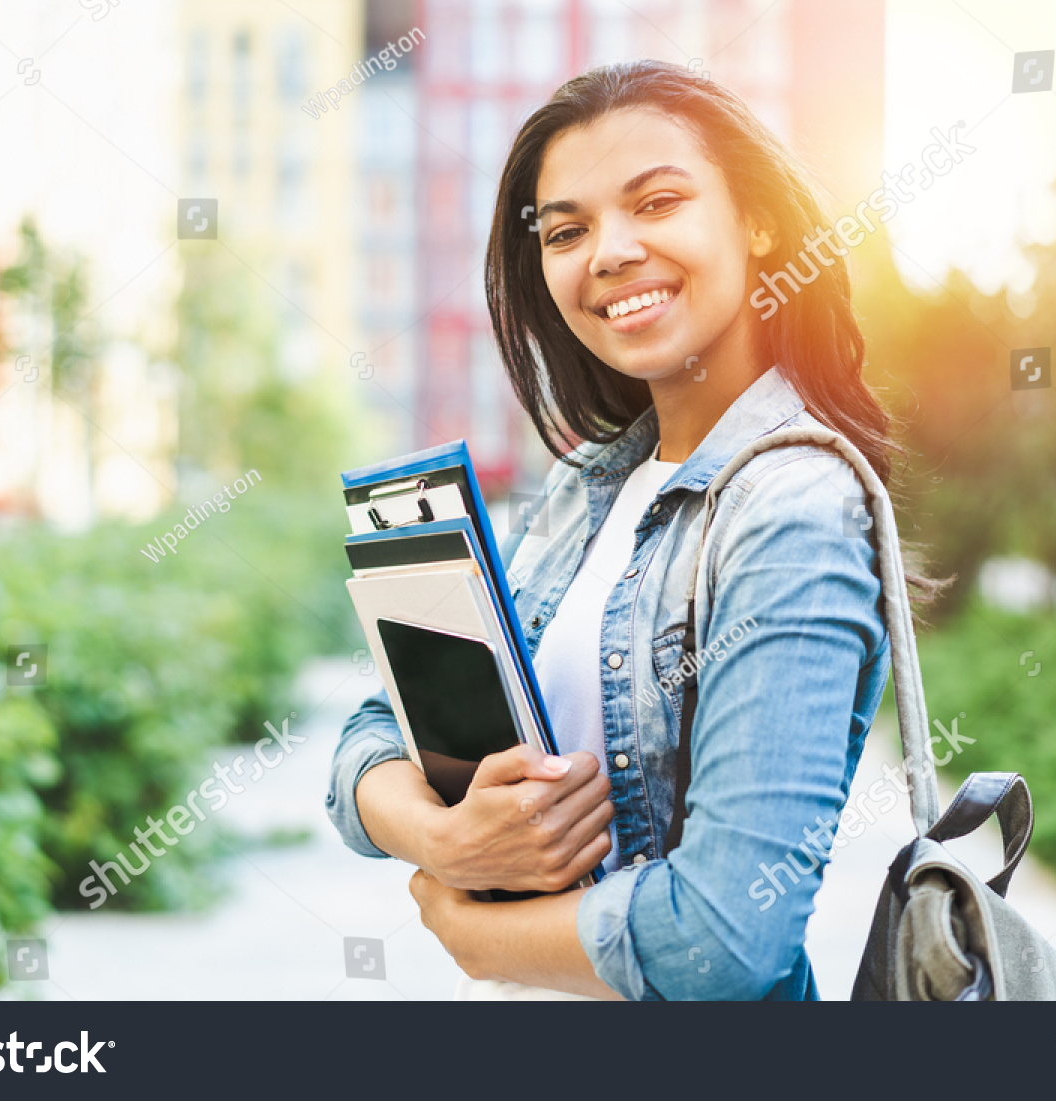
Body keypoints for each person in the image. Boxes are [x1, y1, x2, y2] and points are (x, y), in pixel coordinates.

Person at [325, 59, 934, 1000]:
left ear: (758, 220)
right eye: (566, 229)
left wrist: (479, 934)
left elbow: (730, 939)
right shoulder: (587, 483)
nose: (607, 252)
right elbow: (371, 737)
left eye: (657, 203)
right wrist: (444, 837)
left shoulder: (793, 508)